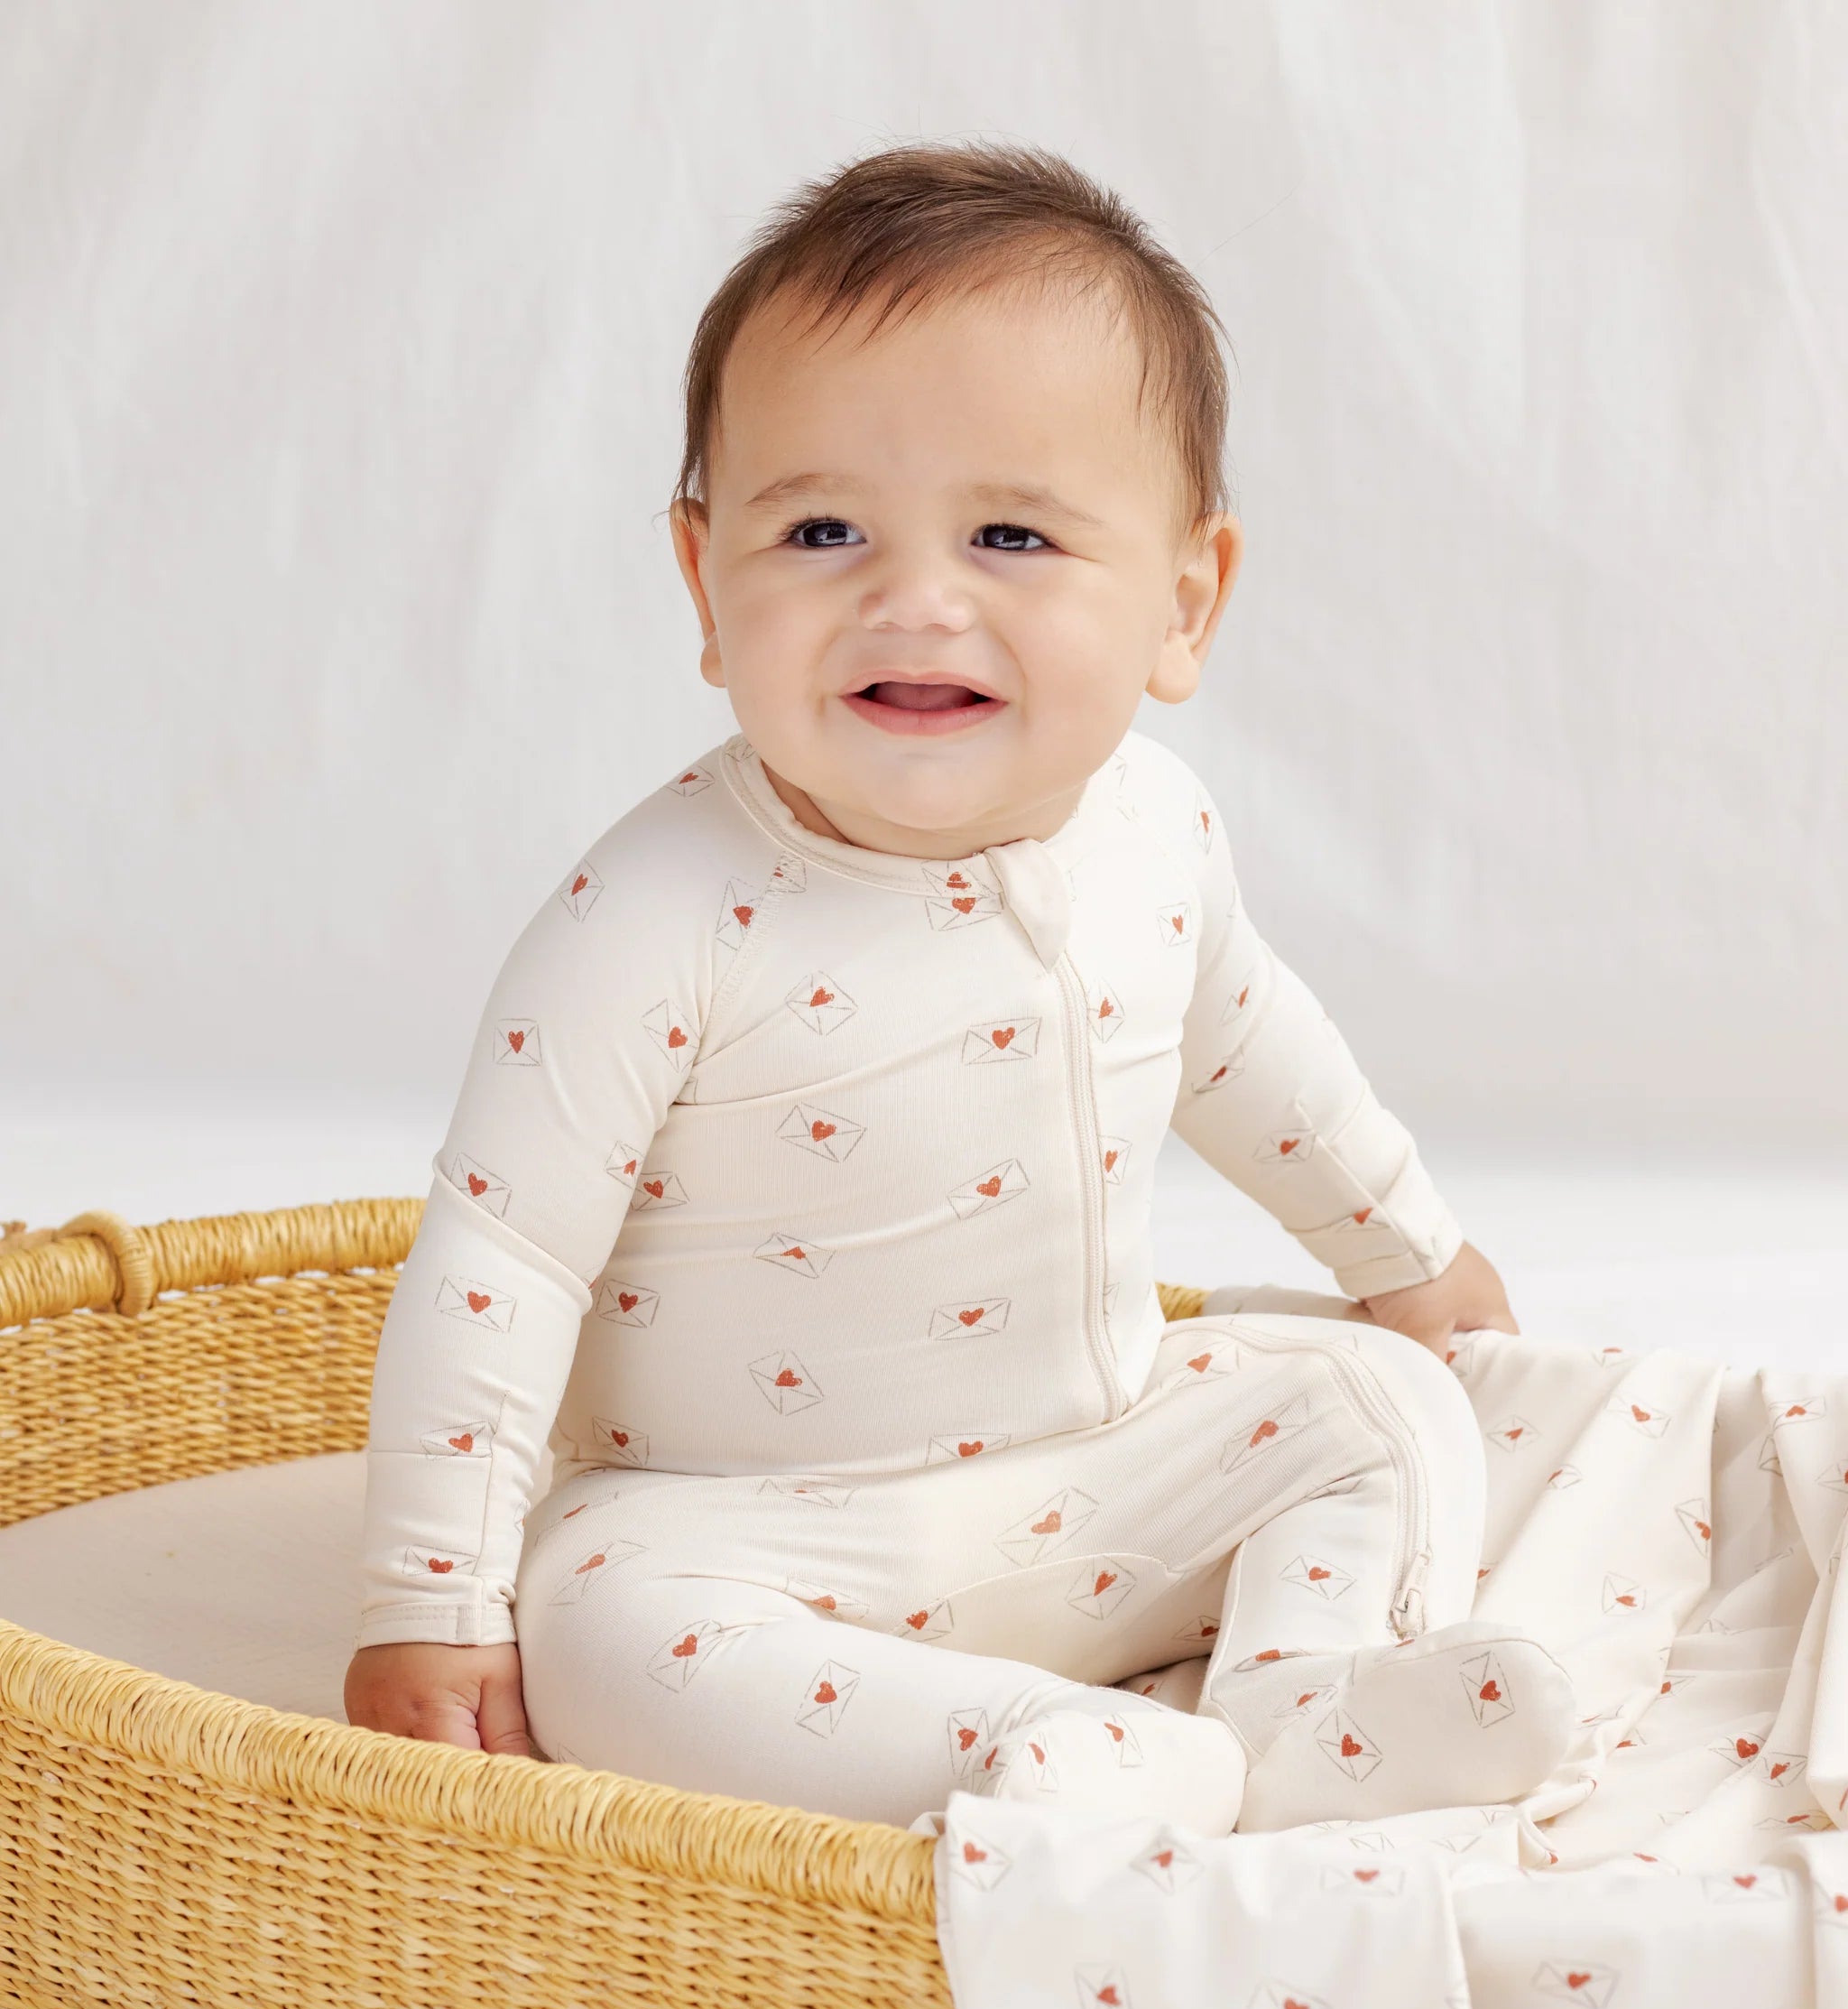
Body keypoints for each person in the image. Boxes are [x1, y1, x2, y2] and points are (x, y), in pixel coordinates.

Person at [343, 141, 1574, 1837]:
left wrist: (1408, 1259)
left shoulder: (1161, 829)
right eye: (823, 528)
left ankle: (1306, 1712)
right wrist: (431, 1598)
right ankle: (1040, 1755)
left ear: (1182, 604)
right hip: (750, 1524)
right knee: (602, 1633)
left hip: (1106, 1464)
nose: (914, 599)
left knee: (1380, 1402)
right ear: (707, 587)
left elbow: (1252, 1052)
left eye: (1011, 534)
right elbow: (500, 1258)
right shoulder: (651, 919)